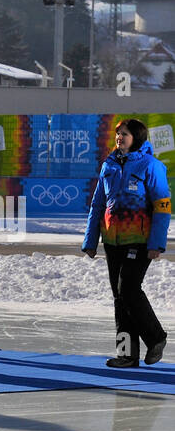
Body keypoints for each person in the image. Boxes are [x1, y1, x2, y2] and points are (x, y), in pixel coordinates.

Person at [83, 118, 170, 367]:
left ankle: (156, 338)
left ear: (137, 138)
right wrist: (91, 240)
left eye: (125, 134)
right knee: (119, 298)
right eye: (118, 133)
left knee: (128, 290)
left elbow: (162, 207)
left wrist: (156, 244)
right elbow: (98, 204)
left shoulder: (151, 166)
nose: (119, 137)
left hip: (140, 240)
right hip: (112, 241)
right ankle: (126, 355)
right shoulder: (108, 165)